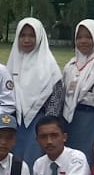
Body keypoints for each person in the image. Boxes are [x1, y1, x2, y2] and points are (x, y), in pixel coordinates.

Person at [6, 17, 65, 165]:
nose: (27, 40)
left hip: (39, 123)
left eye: (31, 36)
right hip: (15, 122)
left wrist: (47, 124)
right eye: (22, 35)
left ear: (39, 37)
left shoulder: (49, 65)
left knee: (35, 161)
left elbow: (56, 96)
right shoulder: (12, 62)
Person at [62, 20, 94, 164]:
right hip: (70, 122)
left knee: (84, 164)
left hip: (89, 123)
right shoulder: (71, 65)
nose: (83, 41)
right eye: (79, 37)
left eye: (88, 37)